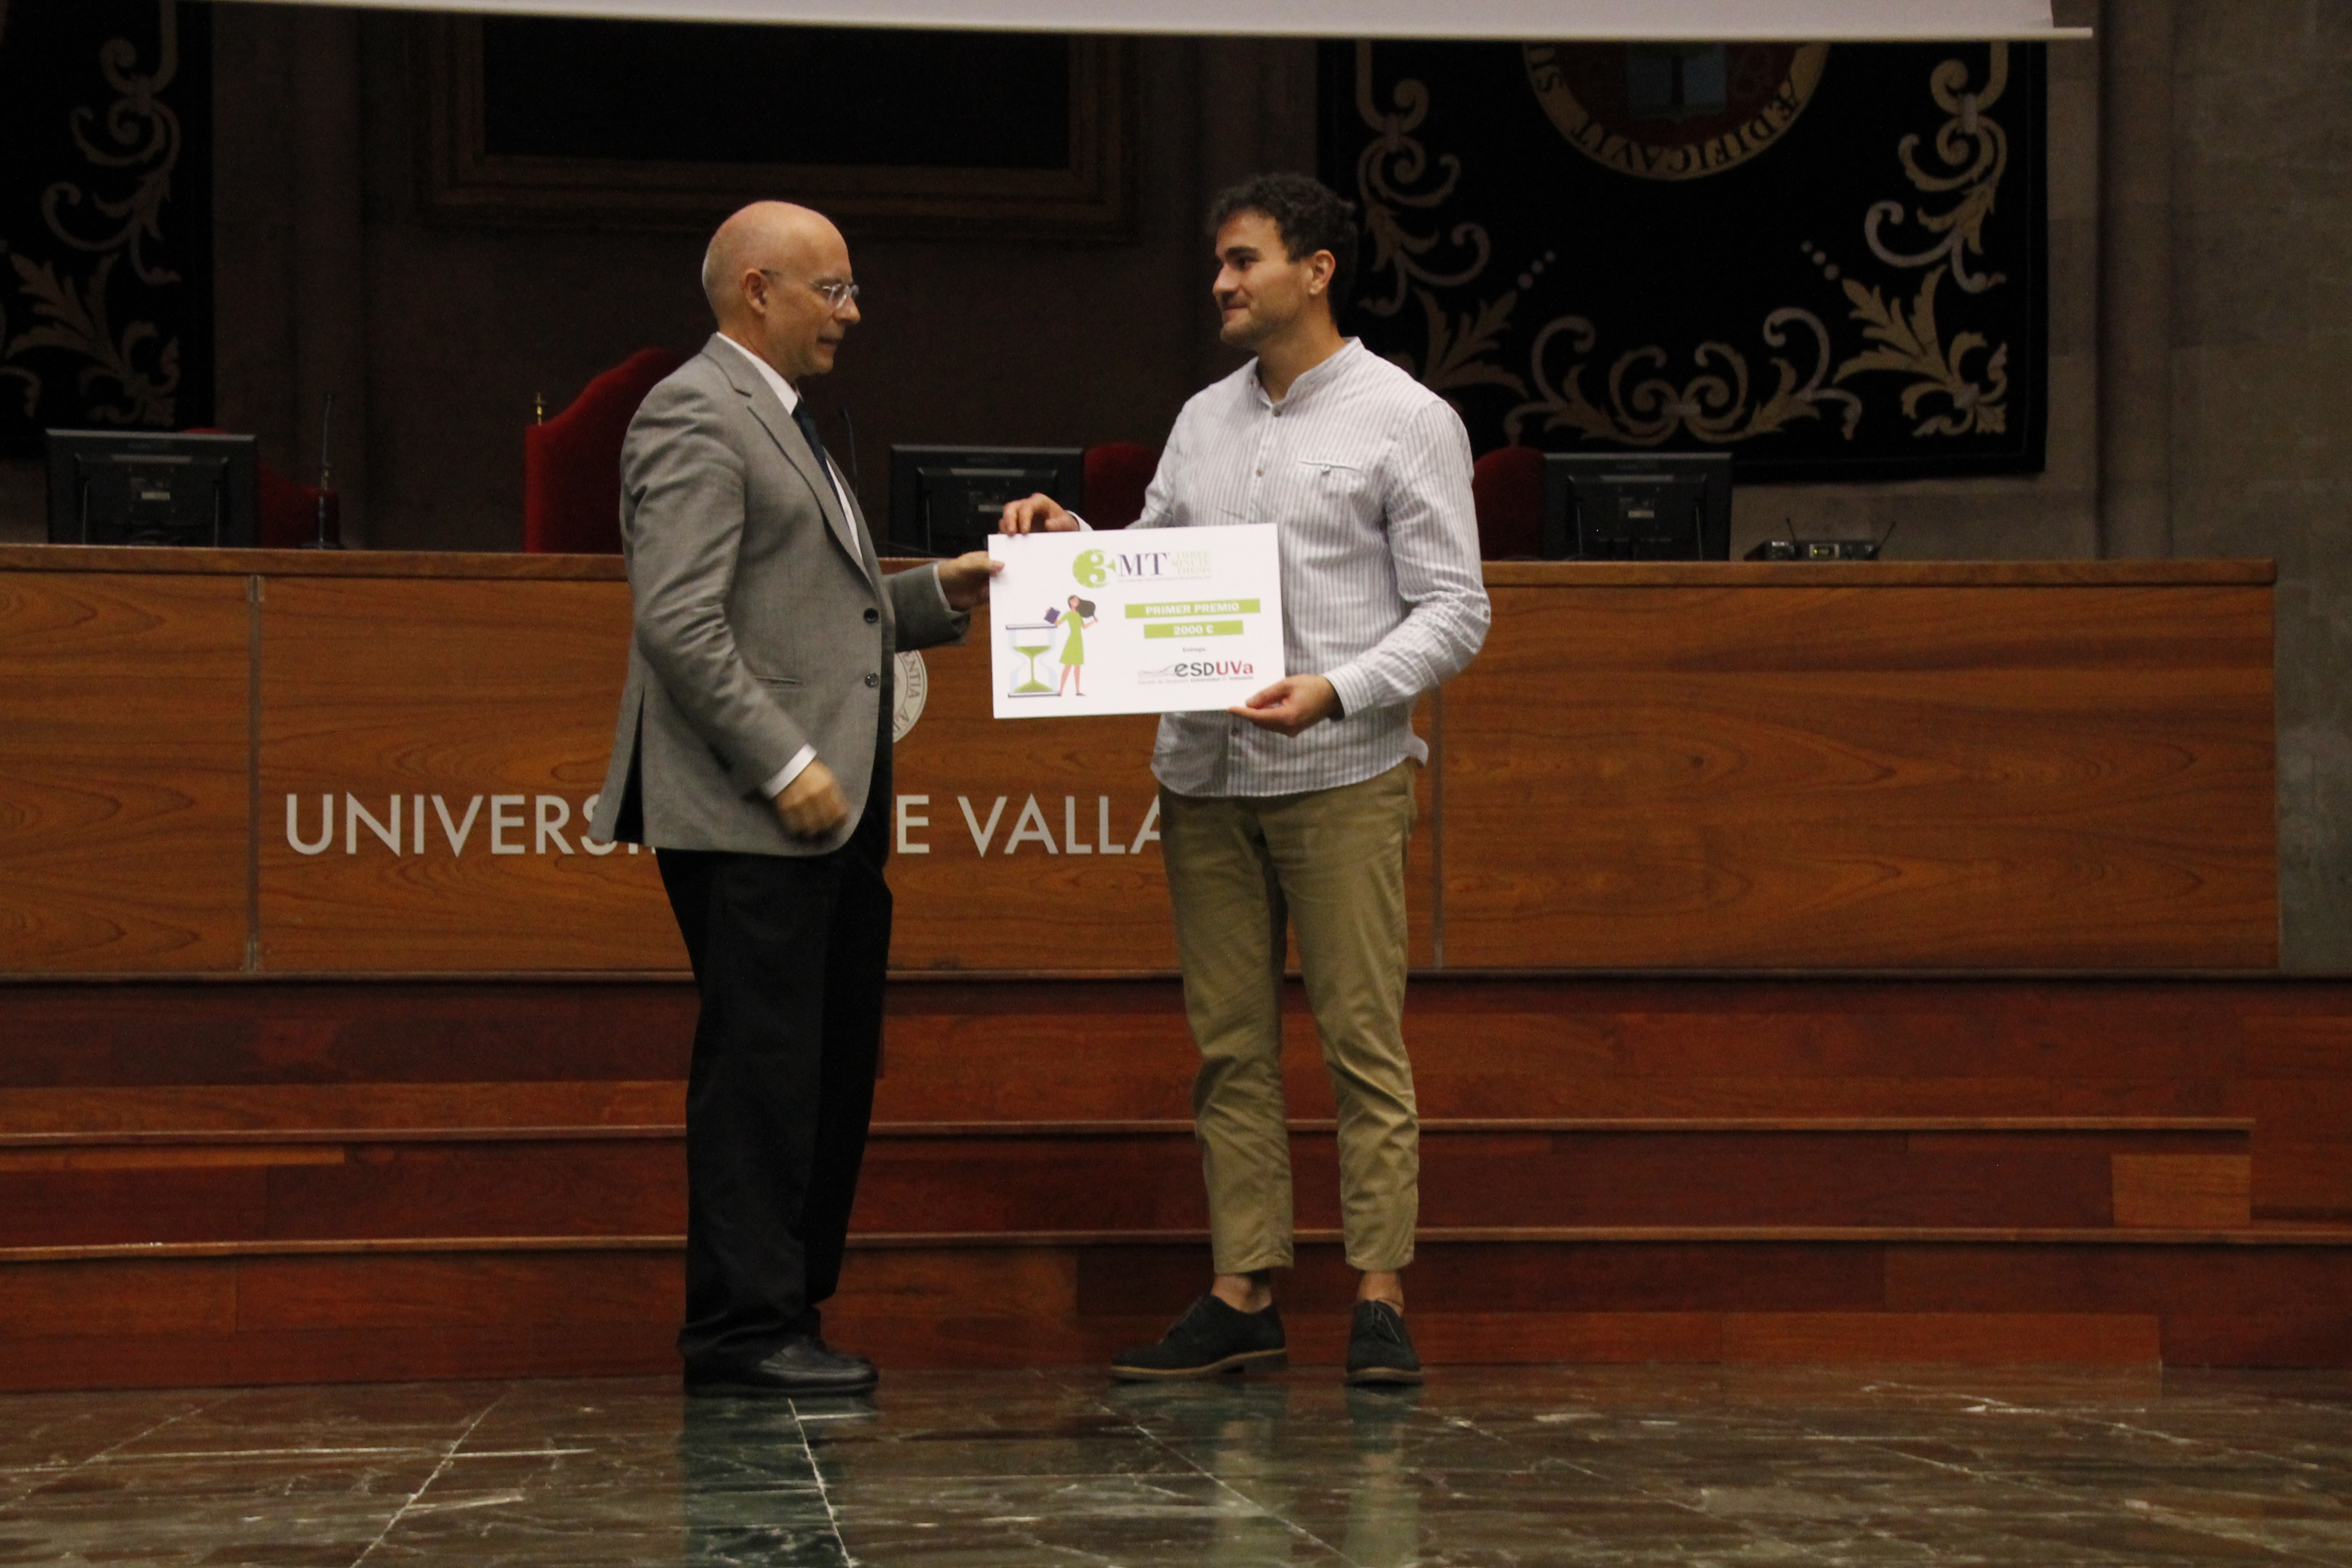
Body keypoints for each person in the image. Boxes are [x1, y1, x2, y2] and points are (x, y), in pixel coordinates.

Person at [1000, 172, 1490, 1384]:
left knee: (1361, 1039)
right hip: (1205, 773)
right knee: (1229, 1044)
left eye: (1243, 260)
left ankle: (1378, 1294)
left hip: (1342, 767)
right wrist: (1074, 548)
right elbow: (1156, 568)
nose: (1220, 283)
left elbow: (1457, 611)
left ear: (1317, 271)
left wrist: (1338, 686)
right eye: (1219, 264)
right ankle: (1244, 1289)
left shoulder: (1406, 417)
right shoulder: (1202, 418)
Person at [589, 200, 998, 1398]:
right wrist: (783, 761)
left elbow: (823, 605)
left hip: (829, 807)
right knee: (763, 1070)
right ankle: (740, 1331)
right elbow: (678, 622)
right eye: (835, 289)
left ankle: (787, 1309)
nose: (852, 314)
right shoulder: (691, 411)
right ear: (758, 290)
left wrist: (945, 590)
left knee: (821, 1064)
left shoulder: (785, 420)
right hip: (754, 810)